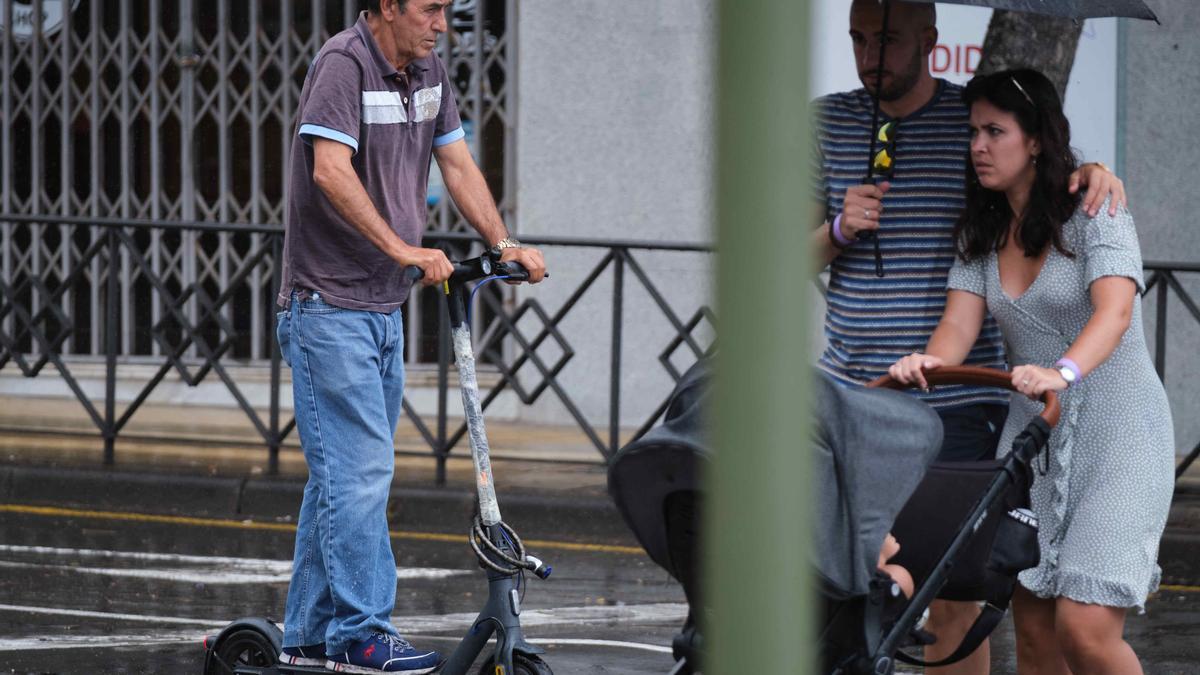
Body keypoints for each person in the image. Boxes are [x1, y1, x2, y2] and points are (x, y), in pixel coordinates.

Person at [811, 2, 1127, 672]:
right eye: (859, 40)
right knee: (843, 584)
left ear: (928, 39)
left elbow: (1035, 165)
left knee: (952, 591)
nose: (872, 55)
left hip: (956, 401)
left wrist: (1096, 172)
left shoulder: (968, 122)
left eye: (889, 39)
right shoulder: (827, 121)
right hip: (853, 391)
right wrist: (838, 229)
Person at [273, 1, 546, 672]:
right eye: (428, 9)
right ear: (385, 7)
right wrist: (403, 247)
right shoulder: (344, 64)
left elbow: (455, 164)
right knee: (361, 472)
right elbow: (329, 170)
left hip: (380, 308)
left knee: (339, 477)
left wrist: (500, 239)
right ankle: (362, 631)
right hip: (326, 305)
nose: (441, 23)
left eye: (447, 11)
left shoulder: (427, 72)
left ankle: (308, 634)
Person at [888, 68, 1174, 675]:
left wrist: (1061, 372)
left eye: (995, 131)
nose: (978, 147)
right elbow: (957, 331)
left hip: (1120, 434)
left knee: (1085, 628)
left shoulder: (1096, 209)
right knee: (1036, 630)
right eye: (973, 132)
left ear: (1037, 139)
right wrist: (927, 362)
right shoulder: (982, 232)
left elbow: (1116, 311)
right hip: (1035, 439)